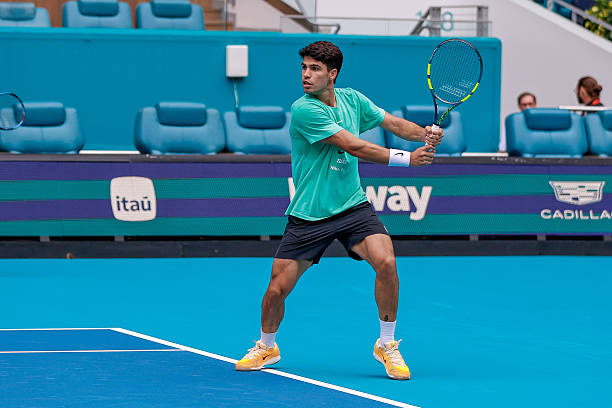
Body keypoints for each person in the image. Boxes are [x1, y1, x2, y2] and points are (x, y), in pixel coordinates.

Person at [234, 41, 443, 380]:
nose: (306, 74)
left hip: (352, 207)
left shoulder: (353, 99)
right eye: (303, 67)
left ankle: (387, 344)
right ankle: (267, 345)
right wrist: (408, 158)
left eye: (314, 69)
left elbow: (391, 123)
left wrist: (425, 133)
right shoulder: (304, 110)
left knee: (387, 261)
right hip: (310, 214)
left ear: (332, 74)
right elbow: (353, 145)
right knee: (277, 289)